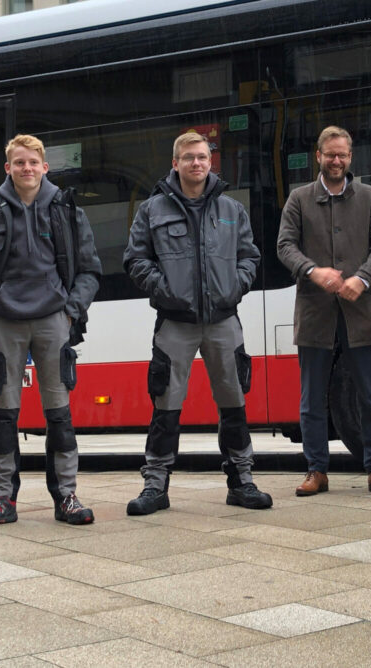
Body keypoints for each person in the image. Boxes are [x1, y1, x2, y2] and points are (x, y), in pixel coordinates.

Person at [121, 131, 272, 515]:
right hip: (175, 322)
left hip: (224, 321)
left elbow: (250, 257)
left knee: (234, 402)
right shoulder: (152, 210)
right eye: (188, 157)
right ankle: (156, 487)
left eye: (202, 157)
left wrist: (235, 287)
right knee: (165, 406)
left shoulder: (231, 210)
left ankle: (242, 481)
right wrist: (166, 289)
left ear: (211, 161)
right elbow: (135, 260)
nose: (196, 163)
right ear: (175, 163)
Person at [0, 134, 102, 528]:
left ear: (44, 167)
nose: (26, 169)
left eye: (32, 163)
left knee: (59, 412)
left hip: (54, 320)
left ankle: (66, 496)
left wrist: (71, 313)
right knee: (4, 413)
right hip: (3, 323)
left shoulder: (68, 210)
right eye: (18, 163)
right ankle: (1, 499)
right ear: (8, 168)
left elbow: (89, 269)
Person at [277, 126, 371, 496]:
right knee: (312, 397)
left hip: (360, 308)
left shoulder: (370, 197)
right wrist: (313, 271)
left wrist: (362, 277)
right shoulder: (298, 199)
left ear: (350, 157)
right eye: (330, 154)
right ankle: (316, 470)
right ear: (318, 156)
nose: (336, 160)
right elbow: (284, 245)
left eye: (342, 154)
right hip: (315, 311)